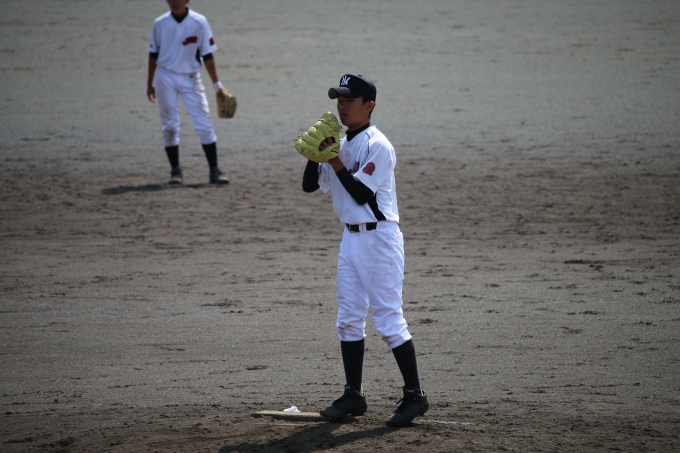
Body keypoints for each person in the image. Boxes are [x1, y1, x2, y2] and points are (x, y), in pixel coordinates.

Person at [302, 74, 430, 426]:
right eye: (339, 100)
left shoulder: (379, 145)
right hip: (350, 240)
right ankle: (353, 394)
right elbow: (310, 186)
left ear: (369, 105)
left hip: (380, 240)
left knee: (388, 320)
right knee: (348, 319)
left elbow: (361, 194)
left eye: (349, 100)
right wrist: (315, 154)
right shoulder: (340, 144)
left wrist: (334, 159)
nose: (342, 106)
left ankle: (415, 395)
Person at [147, 0, 229, 185]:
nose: (175, 2)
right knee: (170, 126)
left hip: (191, 78)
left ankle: (214, 170)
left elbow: (207, 55)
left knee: (204, 123)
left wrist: (217, 85)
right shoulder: (160, 23)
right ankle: (175, 171)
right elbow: (153, 54)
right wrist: (149, 83)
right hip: (165, 77)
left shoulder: (199, 22)